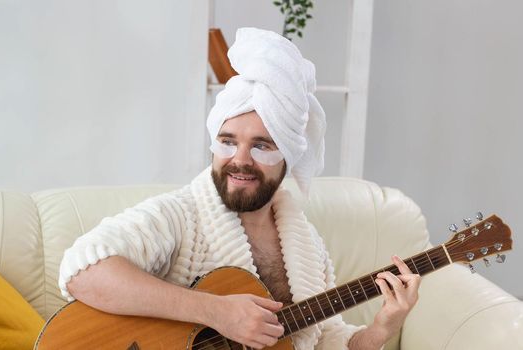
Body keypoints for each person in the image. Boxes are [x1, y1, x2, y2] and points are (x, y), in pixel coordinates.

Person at [58, 27, 420, 350]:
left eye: (262, 146)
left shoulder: (306, 245)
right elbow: (82, 271)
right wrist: (216, 312)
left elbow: (325, 340)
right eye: (228, 142)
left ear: (287, 158)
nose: (240, 160)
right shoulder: (179, 215)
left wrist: (382, 328)